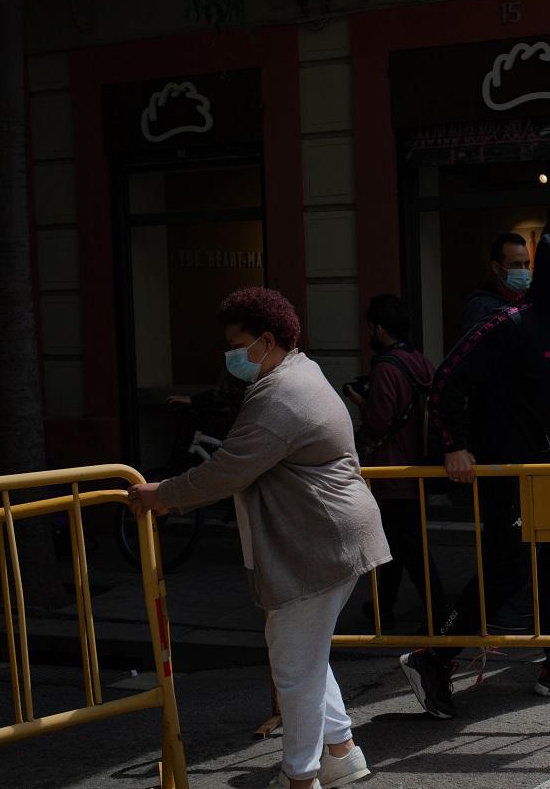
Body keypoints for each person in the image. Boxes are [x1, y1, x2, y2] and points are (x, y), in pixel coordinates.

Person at [128, 287, 390, 789]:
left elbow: (226, 470)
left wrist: (162, 494)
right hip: (331, 539)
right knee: (306, 658)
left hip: (317, 544)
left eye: (236, 344)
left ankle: (302, 777)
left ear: (266, 340)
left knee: (293, 668)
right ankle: (343, 752)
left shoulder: (281, 395)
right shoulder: (301, 374)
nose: (230, 356)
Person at [399, 233, 550, 719]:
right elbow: (447, 381)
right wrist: (454, 446)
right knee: (507, 571)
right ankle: (431, 658)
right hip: (513, 477)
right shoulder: (508, 325)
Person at [347, 294, 445, 632]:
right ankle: (382, 608)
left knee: (409, 548)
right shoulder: (419, 361)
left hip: (392, 472)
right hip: (418, 467)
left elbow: (379, 423)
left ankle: (440, 615)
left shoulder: (387, 368)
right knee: (395, 544)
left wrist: (362, 402)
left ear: (379, 329)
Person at [458, 232, 532, 336]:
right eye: (516, 264)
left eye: (527, 264)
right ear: (496, 268)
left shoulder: (525, 301)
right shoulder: (481, 308)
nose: (524, 271)